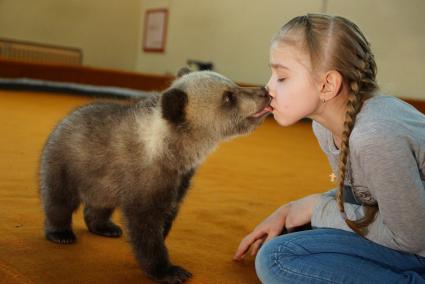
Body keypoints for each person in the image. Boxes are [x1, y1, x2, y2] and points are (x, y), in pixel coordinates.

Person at [233, 14, 425, 283]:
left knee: (277, 259)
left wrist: (315, 208)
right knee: (293, 231)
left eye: (282, 77)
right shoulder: (324, 127)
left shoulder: (374, 137)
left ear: (328, 85)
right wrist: (290, 209)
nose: (268, 88)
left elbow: (413, 238)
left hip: (418, 240)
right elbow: (360, 191)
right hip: (409, 223)